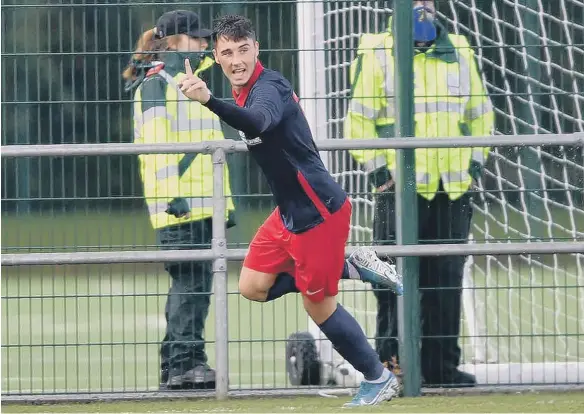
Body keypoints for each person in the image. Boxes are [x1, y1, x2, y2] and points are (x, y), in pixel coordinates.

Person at [178, 14, 404, 407]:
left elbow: (258, 121)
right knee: (252, 287)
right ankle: (352, 265)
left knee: (318, 305)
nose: (237, 60)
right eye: (227, 53)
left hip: (319, 213)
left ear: (256, 49)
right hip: (288, 213)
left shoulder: (271, 86)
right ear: (215, 57)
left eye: (243, 50)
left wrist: (208, 100)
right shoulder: (243, 90)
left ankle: (378, 377)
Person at [344, 0, 494, 388]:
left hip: (452, 185)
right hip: (402, 187)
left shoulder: (459, 49)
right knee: (393, 277)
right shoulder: (377, 50)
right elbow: (358, 120)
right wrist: (381, 174)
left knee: (446, 279)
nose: (421, 6)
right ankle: (391, 364)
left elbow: (481, 114)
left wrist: (474, 166)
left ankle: (441, 367)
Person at [123, 10, 237, 391]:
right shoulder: (159, 84)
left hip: (199, 203)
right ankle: (183, 365)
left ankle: (183, 365)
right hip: (180, 206)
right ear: (174, 42)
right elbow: (157, 148)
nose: (205, 44)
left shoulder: (184, 81)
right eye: (197, 38)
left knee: (194, 286)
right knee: (190, 286)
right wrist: (174, 196)